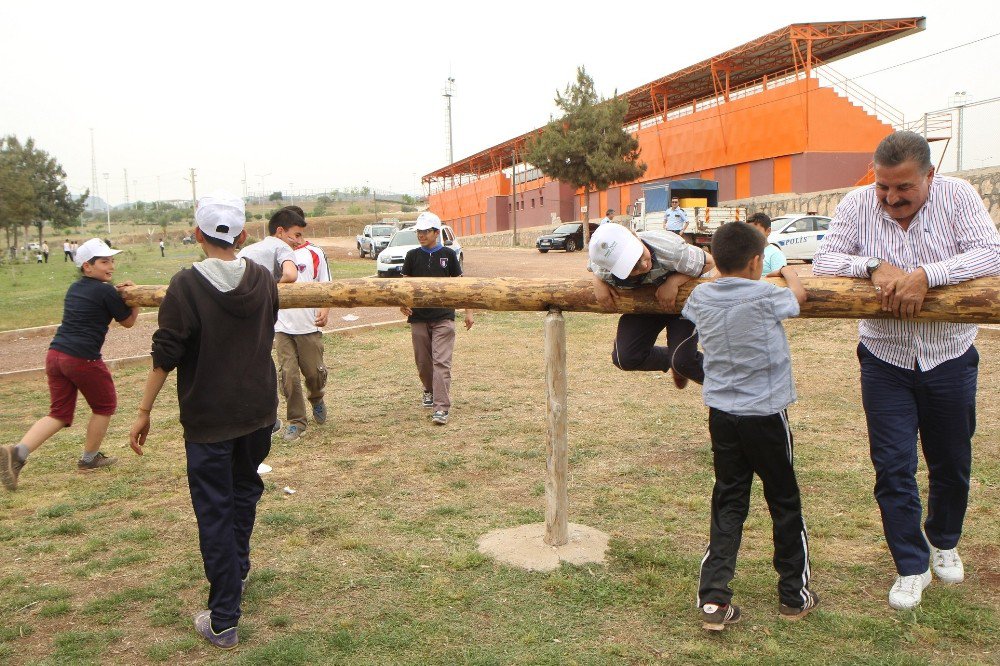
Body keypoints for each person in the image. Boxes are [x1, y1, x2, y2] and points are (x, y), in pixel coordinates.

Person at [813, 130, 1000, 610]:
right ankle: (911, 566)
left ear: (929, 177)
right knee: (893, 466)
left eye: (904, 189)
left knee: (951, 461)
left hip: (951, 355)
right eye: (883, 188)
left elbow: (992, 253)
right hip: (884, 357)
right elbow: (825, 259)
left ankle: (944, 541)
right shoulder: (857, 204)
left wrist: (927, 275)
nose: (891, 199)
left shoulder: (958, 195)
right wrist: (873, 264)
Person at [128, 191, 279, 649]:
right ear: (244, 236)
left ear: (197, 235)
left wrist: (143, 410)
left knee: (215, 508)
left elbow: (166, 354)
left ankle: (224, 619)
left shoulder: (185, 285)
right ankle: (238, 572)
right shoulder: (262, 278)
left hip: (210, 418)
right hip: (257, 411)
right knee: (244, 492)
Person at [681, 221, 815, 631]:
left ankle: (714, 600)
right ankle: (793, 594)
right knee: (784, 500)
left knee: (729, 499)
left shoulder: (701, 295)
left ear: (717, 259)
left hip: (723, 415)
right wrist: (790, 270)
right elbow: (801, 297)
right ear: (758, 262)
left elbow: (687, 308)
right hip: (767, 415)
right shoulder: (765, 294)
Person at [0, 239, 139, 492]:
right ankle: (89, 459)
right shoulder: (106, 290)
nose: (111, 266)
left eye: (112, 260)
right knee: (104, 405)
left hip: (56, 355)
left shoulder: (75, 288)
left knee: (59, 414)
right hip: (82, 358)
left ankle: (17, 453)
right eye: (104, 261)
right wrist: (135, 296)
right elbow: (128, 322)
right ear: (87, 266)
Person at [587, 222, 712, 388]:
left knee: (683, 361)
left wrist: (674, 282)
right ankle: (674, 359)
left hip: (683, 305)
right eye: (631, 267)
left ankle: (730, 385)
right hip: (646, 305)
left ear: (635, 236)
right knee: (625, 358)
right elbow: (595, 267)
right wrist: (598, 281)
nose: (644, 266)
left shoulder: (671, 249)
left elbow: (709, 262)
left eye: (639, 256)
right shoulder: (603, 268)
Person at [399, 211, 473, 425]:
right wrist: (402, 304)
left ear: (435, 232)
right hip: (419, 317)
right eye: (419, 232)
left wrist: (468, 311)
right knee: (423, 362)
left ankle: (441, 408)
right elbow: (404, 287)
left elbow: (461, 287)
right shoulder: (412, 256)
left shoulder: (449, 255)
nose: (421, 235)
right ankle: (428, 389)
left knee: (441, 362)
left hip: (443, 317)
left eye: (425, 231)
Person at [274, 229, 331, 441]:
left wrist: (325, 308)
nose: (295, 239)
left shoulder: (314, 253)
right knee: (288, 375)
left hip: (309, 325)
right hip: (282, 327)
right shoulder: (274, 254)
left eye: (298, 234)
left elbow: (326, 284)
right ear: (280, 233)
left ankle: (316, 398)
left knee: (314, 374)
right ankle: (296, 421)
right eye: (291, 234)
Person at [236, 208, 303, 284]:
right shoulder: (283, 247)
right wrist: (271, 287)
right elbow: (290, 275)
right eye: (297, 235)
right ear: (280, 232)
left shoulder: (246, 250)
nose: (300, 242)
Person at [746, 213, 787, 278]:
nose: (751, 235)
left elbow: (779, 279)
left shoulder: (775, 254)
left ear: (768, 231)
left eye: (755, 231)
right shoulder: (743, 252)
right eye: (748, 231)